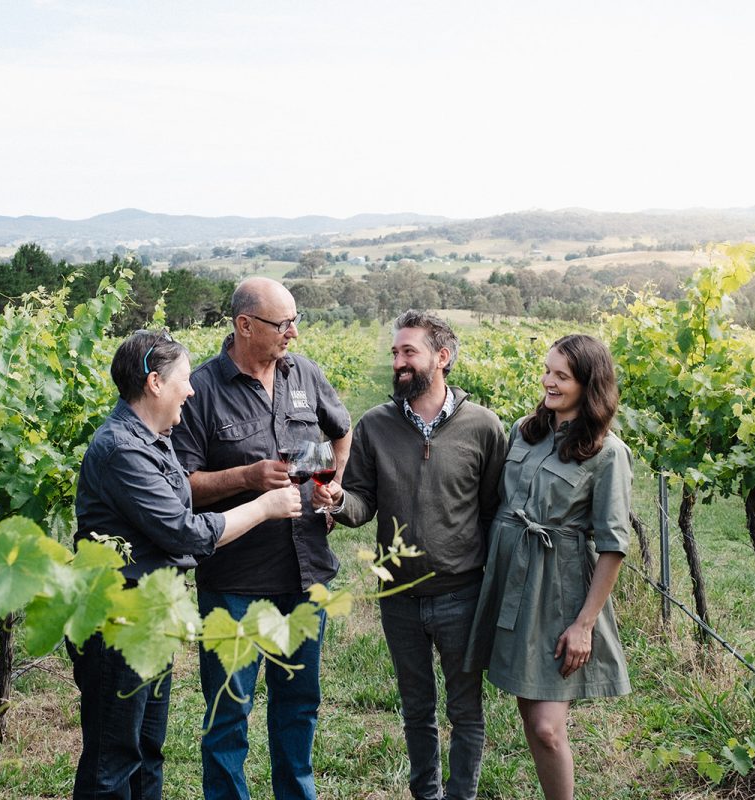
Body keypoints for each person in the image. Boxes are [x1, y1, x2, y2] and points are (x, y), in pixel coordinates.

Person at [69, 329, 302, 800]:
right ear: (155, 383)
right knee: (112, 760)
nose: (192, 390)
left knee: (147, 748)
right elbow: (184, 532)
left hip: (153, 615)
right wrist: (263, 506)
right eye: (184, 379)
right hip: (119, 619)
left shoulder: (157, 439)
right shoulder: (123, 450)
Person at [314, 309, 507, 800]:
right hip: (398, 595)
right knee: (415, 709)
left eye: (408, 352)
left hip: (461, 595)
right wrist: (338, 501)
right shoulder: (375, 425)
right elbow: (361, 502)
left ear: (441, 358)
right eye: (395, 353)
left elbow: (491, 510)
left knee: (465, 711)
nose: (398, 362)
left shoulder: (484, 427)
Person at [171, 277, 352, 800]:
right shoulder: (200, 391)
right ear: (244, 325)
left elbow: (342, 431)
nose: (292, 333)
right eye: (283, 323)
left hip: (303, 574)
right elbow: (182, 485)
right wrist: (247, 478)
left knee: (299, 706)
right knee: (229, 712)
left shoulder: (305, 374)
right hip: (235, 583)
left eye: (296, 321)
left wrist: (334, 485)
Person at [465, 333, 632, 800]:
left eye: (562, 376)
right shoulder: (525, 430)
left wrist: (584, 624)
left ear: (589, 384)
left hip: (556, 590)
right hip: (509, 579)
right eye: (547, 371)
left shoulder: (607, 452)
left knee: (546, 727)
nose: (549, 382)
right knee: (529, 713)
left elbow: (614, 545)